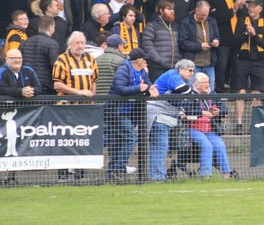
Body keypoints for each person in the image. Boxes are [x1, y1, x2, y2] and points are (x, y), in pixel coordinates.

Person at [106, 48, 157, 182]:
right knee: (131, 138)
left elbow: (147, 85)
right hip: (117, 110)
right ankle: (118, 168)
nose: (146, 61)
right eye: (144, 59)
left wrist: (151, 89)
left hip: (129, 112)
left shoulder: (142, 71)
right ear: (138, 60)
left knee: (119, 141)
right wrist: (138, 89)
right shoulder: (124, 69)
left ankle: (112, 172)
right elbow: (119, 88)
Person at [52, 31, 98, 181]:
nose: (80, 46)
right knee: (65, 139)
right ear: (70, 44)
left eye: (82, 43)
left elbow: (94, 81)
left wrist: (91, 97)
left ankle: (80, 173)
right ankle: (62, 173)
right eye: (77, 43)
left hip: (84, 107)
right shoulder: (62, 59)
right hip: (66, 106)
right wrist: (78, 92)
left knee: (83, 139)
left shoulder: (90, 59)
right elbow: (57, 84)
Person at [147, 59, 194, 182]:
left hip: (167, 116)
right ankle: (157, 177)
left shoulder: (177, 76)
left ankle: (157, 175)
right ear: (181, 70)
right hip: (158, 114)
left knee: (161, 146)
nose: (192, 73)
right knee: (160, 146)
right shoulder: (173, 75)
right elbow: (186, 91)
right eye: (190, 70)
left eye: (193, 71)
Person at [181, 72, 234, 179]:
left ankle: (227, 175)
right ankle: (206, 175)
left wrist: (219, 111)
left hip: (210, 128)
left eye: (208, 82)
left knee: (220, 145)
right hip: (193, 128)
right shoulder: (189, 94)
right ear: (196, 85)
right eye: (204, 83)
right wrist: (202, 112)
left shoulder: (212, 94)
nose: (207, 85)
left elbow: (224, 109)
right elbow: (187, 110)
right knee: (207, 146)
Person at [0, 48, 41, 186]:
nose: (17, 60)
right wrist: (20, 92)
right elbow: (2, 88)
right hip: (3, 115)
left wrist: (31, 91)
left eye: (19, 58)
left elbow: (39, 87)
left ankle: (12, 177)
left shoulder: (28, 70)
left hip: (24, 115)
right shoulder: (2, 71)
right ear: (7, 59)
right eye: (13, 58)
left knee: (15, 147)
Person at [231, 0, 264, 132]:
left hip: (258, 61)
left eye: (254, 6)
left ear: (260, 8)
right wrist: (245, 33)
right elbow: (235, 40)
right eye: (250, 6)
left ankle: (255, 124)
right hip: (242, 60)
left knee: (256, 92)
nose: (251, 9)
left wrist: (254, 35)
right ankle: (239, 124)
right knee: (240, 91)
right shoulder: (242, 21)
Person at [213, 0, 247, 90]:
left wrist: (241, 7)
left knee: (236, 65)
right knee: (222, 66)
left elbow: (243, 15)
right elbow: (218, 18)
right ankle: (220, 90)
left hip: (236, 38)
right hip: (223, 39)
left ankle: (234, 90)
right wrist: (233, 9)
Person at [179, 0, 220, 90]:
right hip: (193, 64)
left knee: (210, 90)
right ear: (196, 10)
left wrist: (216, 41)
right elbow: (182, 43)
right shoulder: (187, 22)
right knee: (191, 90)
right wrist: (199, 46)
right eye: (202, 15)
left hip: (209, 63)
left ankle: (208, 105)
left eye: (206, 15)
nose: (204, 17)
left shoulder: (211, 21)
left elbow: (217, 35)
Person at [142, 0, 182, 81]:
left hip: (174, 68)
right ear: (161, 10)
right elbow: (147, 44)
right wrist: (158, 59)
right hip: (157, 68)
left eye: (173, 9)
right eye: (169, 9)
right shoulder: (152, 25)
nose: (172, 12)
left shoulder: (176, 26)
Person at [20, 15, 59, 94]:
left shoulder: (24, 43)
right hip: (45, 87)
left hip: (26, 86)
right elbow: (55, 66)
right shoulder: (52, 44)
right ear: (50, 28)